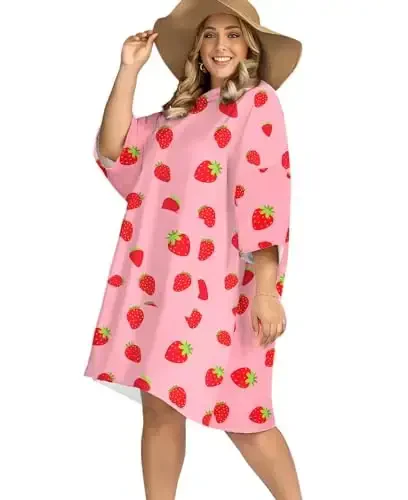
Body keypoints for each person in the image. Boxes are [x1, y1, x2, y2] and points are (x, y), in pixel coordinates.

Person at [84, 0, 303, 498]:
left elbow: (265, 197)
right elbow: (115, 150)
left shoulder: (258, 102)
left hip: (224, 285)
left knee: (244, 413)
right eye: (209, 35)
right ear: (198, 49)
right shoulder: (178, 114)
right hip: (160, 279)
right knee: (159, 406)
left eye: (233, 34)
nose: (220, 45)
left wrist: (265, 290)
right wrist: (129, 70)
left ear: (250, 46)